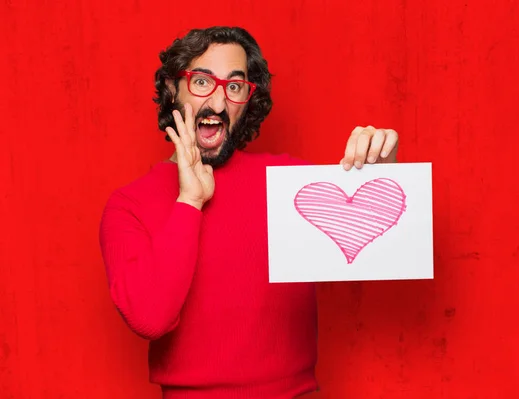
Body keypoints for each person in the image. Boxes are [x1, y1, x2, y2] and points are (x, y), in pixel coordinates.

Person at [99, 26, 399, 399]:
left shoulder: (290, 184)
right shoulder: (128, 206)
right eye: (202, 82)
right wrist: (190, 202)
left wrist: (382, 170)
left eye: (235, 86)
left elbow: (382, 243)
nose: (220, 104)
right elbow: (149, 317)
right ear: (173, 89)